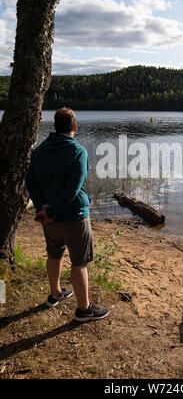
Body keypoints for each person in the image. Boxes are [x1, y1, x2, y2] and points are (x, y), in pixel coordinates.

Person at [25, 107, 110, 322]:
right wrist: (50, 210)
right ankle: (84, 309)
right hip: (75, 217)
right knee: (79, 262)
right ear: (75, 127)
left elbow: (30, 182)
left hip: (49, 219)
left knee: (54, 254)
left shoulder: (40, 151)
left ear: (54, 126)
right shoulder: (78, 152)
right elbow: (73, 190)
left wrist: (43, 210)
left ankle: (55, 294)